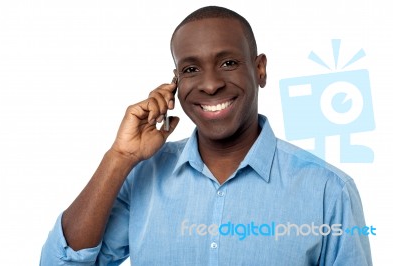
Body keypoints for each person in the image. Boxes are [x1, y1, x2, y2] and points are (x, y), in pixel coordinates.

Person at [40, 6, 373, 265]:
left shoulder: (328, 190)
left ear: (260, 70)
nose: (210, 84)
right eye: (190, 69)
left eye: (228, 62)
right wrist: (120, 158)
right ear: (175, 82)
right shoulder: (142, 175)